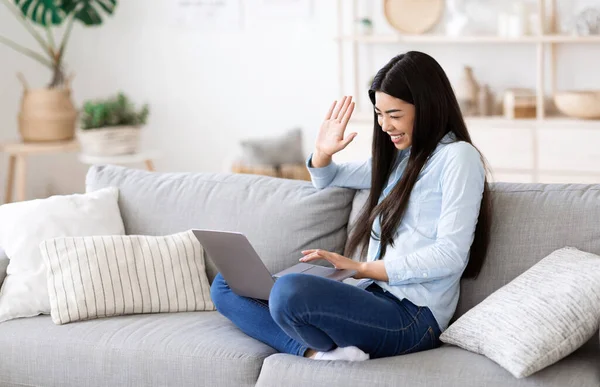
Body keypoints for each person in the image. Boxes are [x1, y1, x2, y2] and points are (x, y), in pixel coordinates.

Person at [210, 51, 492, 361]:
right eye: (379, 114)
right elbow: (328, 177)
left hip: (413, 317)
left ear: (427, 107)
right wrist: (322, 152)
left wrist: (360, 268)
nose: (385, 125)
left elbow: (450, 256)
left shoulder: (458, 157)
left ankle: (319, 345)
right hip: (369, 296)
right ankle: (316, 352)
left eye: (395, 114)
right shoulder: (401, 159)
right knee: (227, 284)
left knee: (290, 292)